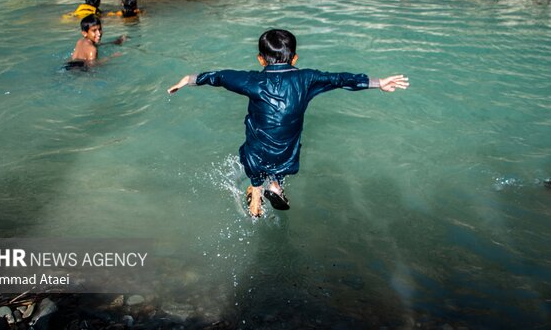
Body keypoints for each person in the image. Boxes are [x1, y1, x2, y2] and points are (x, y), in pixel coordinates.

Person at [167, 29, 409, 217]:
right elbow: (340, 79)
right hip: (286, 150)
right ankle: (274, 185)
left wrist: (186, 80)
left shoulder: (251, 80)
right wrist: (379, 82)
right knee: (281, 156)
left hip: (258, 149)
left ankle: (256, 193)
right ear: (295, 58)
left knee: (253, 151)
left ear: (260, 60)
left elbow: (218, 77)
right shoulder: (307, 78)